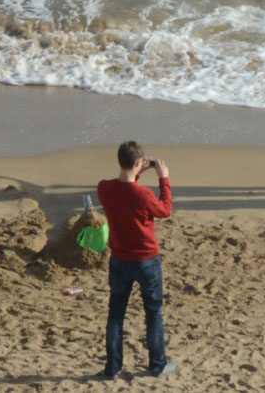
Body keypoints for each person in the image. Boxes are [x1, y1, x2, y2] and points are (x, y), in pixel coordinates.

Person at [96, 141, 175, 378]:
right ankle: (158, 364)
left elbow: (125, 195)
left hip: (119, 259)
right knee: (153, 312)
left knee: (116, 314)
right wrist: (164, 179)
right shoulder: (144, 195)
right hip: (146, 261)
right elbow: (165, 210)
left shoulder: (104, 188)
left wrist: (136, 174)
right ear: (139, 163)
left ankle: (112, 367)